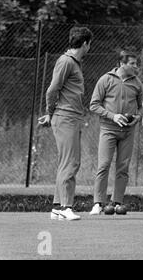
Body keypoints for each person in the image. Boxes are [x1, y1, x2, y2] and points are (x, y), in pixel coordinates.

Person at [39, 26, 93, 221]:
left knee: (66, 162)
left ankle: (56, 206)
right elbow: (52, 90)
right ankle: (65, 206)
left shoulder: (74, 63)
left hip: (71, 117)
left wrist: (50, 115)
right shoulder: (66, 61)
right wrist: (49, 112)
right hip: (66, 117)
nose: (89, 48)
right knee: (71, 162)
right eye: (89, 44)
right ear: (85, 43)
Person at [88, 51, 143, 215]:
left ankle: (117, 202)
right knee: (103, 165)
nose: (136, 67)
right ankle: (98, 203)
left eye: (136, 64)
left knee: (123, 167)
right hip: (108, 130)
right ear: (121, 63)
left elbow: (140, 107)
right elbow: (94, 105)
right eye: (132, 64)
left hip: (128, 131)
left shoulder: (138, 84)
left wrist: (138, 117)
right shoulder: (105, 79)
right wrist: (113, 116)